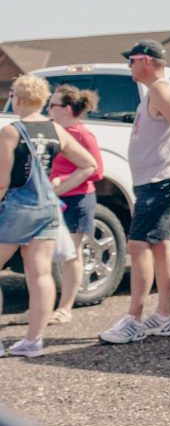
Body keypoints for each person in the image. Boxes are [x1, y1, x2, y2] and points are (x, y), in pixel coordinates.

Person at [99, 40, 170, 344]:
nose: (129, 66)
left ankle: (134, 318)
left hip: (159, 182)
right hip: (155, 181)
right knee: (159, 245)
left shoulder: (160, 89)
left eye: (132, 60)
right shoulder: (155, 90)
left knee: (138, 246)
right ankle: (164, 316)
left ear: (148, 61)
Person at [0, 75, 97, 357]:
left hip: (17, 206)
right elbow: (88, 164)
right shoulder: (55, 128)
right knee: (40, 274)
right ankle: (33, 341)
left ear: (17, 99)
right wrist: (61, 187)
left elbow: (3, 181)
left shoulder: (11, 131)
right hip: (46, 208)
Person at [47, 84, 105, 324]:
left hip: (78, 200)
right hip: (55, 200)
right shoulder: (53, 132)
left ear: (68, 109)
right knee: (48, 256)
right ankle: (43, 307)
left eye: (52, 105)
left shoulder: (82, 135)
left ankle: (65, 308)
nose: (47, 109)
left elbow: (97, 170)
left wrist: (63, 184)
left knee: (71, 255)